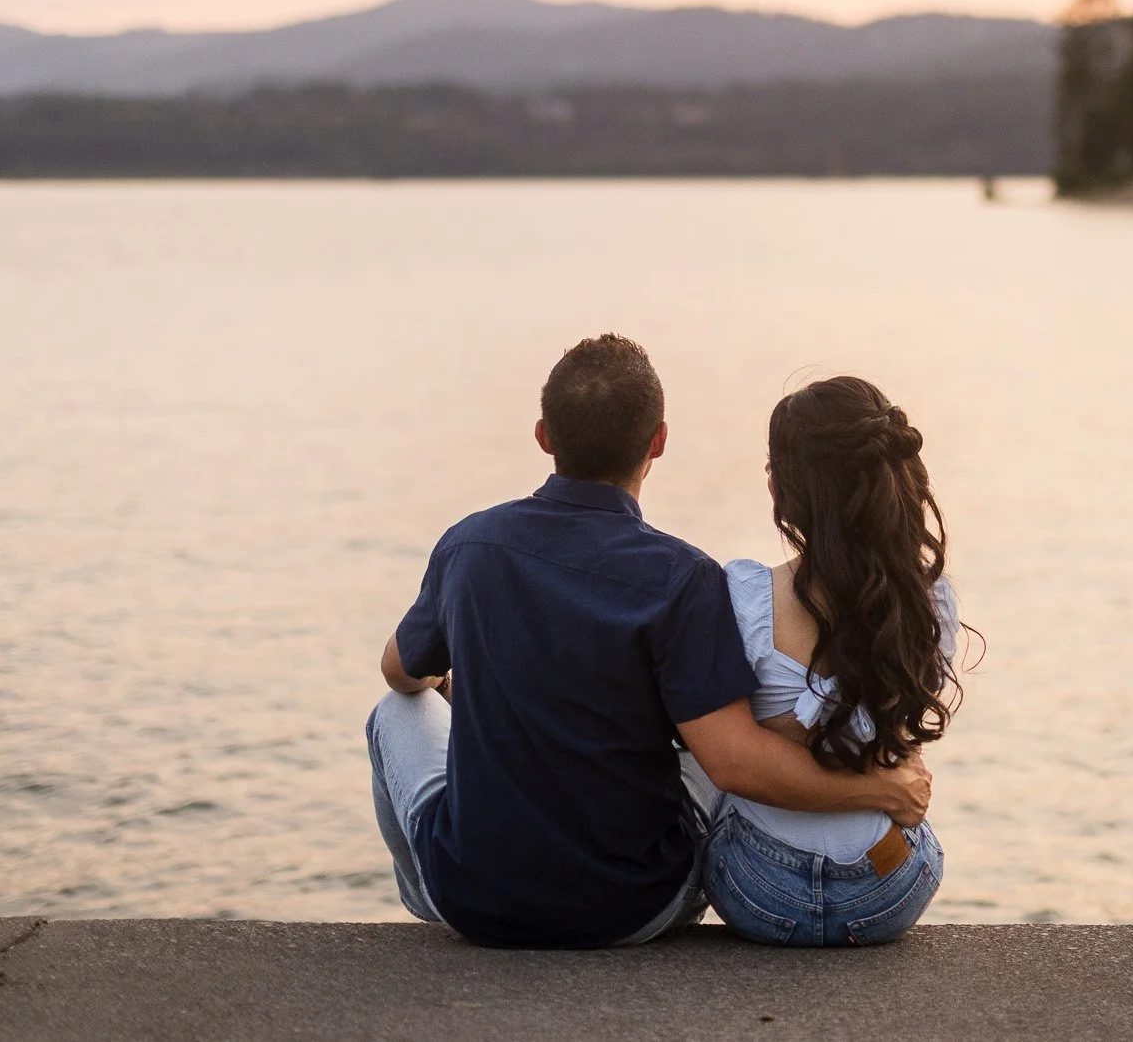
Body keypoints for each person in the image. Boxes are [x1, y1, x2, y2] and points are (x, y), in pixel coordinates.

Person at [366, 335, 932, 949]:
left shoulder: (470, 547)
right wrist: (879, 787)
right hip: (634, 908)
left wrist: (456, 681)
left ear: (543, 436)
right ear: (658, 441)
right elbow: (734, 762)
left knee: (394, 711)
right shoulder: (684, 577)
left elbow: (397, 670)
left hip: (477, 904)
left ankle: (428, 895)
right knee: (718, 737)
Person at [700, 375, 964, 947]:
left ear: (786, 491)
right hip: (887, 890)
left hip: (757, 892)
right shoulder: (928, 602)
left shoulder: (742, 597)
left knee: (703, 746)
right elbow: (903, 744)